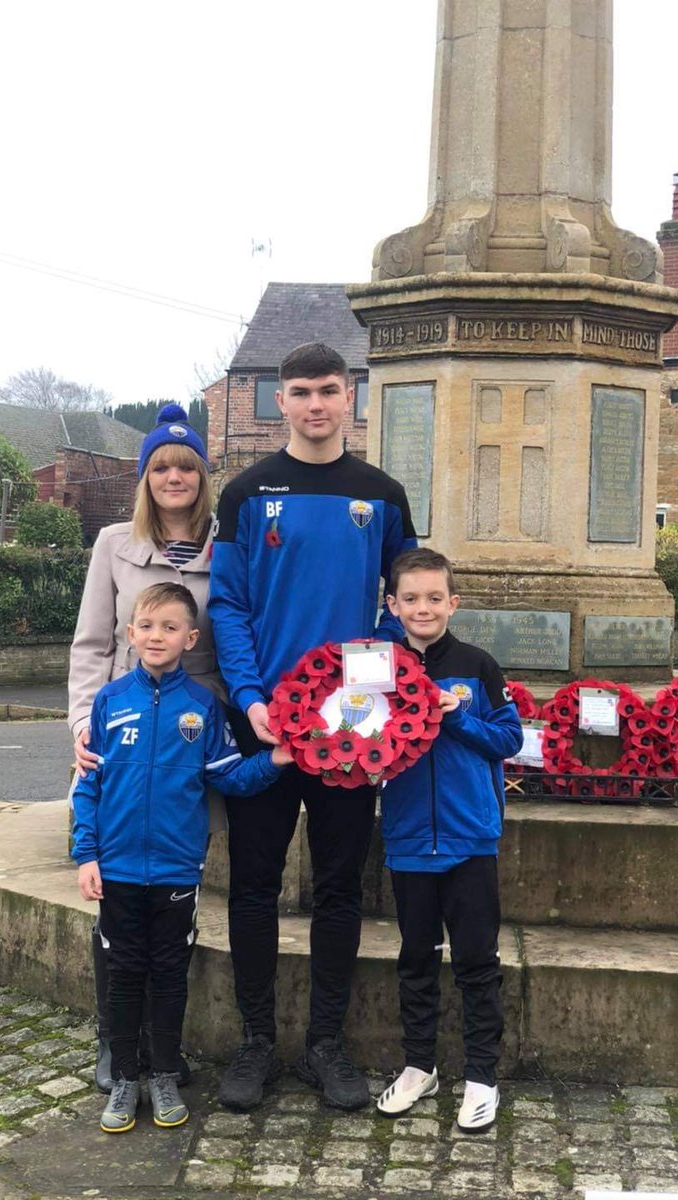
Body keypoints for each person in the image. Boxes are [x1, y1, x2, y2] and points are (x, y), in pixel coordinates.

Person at [209, 342, 416, 1111]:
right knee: (255, 888)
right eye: (300, 391)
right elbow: (226, 603)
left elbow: (399, 607)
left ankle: (324, 1045)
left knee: (338, 889)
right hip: (262, 729)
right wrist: (252, 697)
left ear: (350, 395)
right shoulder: (247, 492)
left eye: (329, 389)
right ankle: (256, 1041)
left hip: (349, 733)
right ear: (281, 399)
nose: (315, 404)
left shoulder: (384, 495)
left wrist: (363, 701)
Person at [71, 582, 291, 1134]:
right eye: (147, 626)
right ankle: (125, 1077)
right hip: (117, 869)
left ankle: (165, 1072)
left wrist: (279, 759)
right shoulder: (109, 700)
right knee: (123, 975)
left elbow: (230, 777)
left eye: (170, 628)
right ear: (130, 632)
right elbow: (87, 787)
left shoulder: (202, 708)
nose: (157, 636)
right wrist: (86, 855)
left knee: (170, 974)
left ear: (190, 638)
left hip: (175, 870)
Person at [68, 402, 221, 1093]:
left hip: (195, 732)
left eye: (186, 465)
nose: (173, 476)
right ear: (145, 476)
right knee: (119, 908)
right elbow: (93, 643)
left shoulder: (228, 547)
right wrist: (81, 728)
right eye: (160, 465)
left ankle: (164, 1050)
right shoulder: (112, 544)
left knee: (172, 901)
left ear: (202, 475)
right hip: (121, 734)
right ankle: (113, 1043)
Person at [374, 547, 522, 1133]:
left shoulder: (478, 665)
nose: (423, 607)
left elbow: (508, 739)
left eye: (435, 597)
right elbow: (356, 732)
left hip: (469, 838)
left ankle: (482, 1075)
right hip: (408, 837)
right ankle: (419, 1065)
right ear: (392, 605)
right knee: (415, 957)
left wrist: (454, 713)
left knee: (476, 961)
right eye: (410, 598)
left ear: (453, 603)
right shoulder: (376, 665)